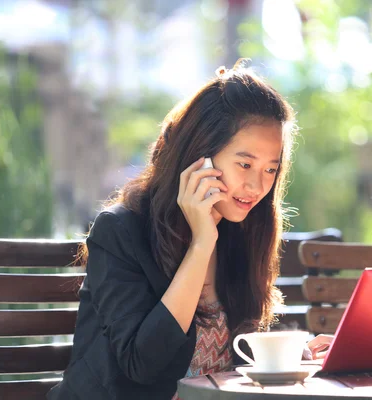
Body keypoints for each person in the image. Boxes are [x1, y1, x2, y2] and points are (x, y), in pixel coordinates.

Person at [47, 60, 332, 400]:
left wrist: (292, 359)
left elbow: (232, 358)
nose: (257, 185)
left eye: (270, 169)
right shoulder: (120, 231)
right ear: (200, 158)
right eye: (244, 164)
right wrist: (200, 246)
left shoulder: (241, 232)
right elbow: (143, 364)